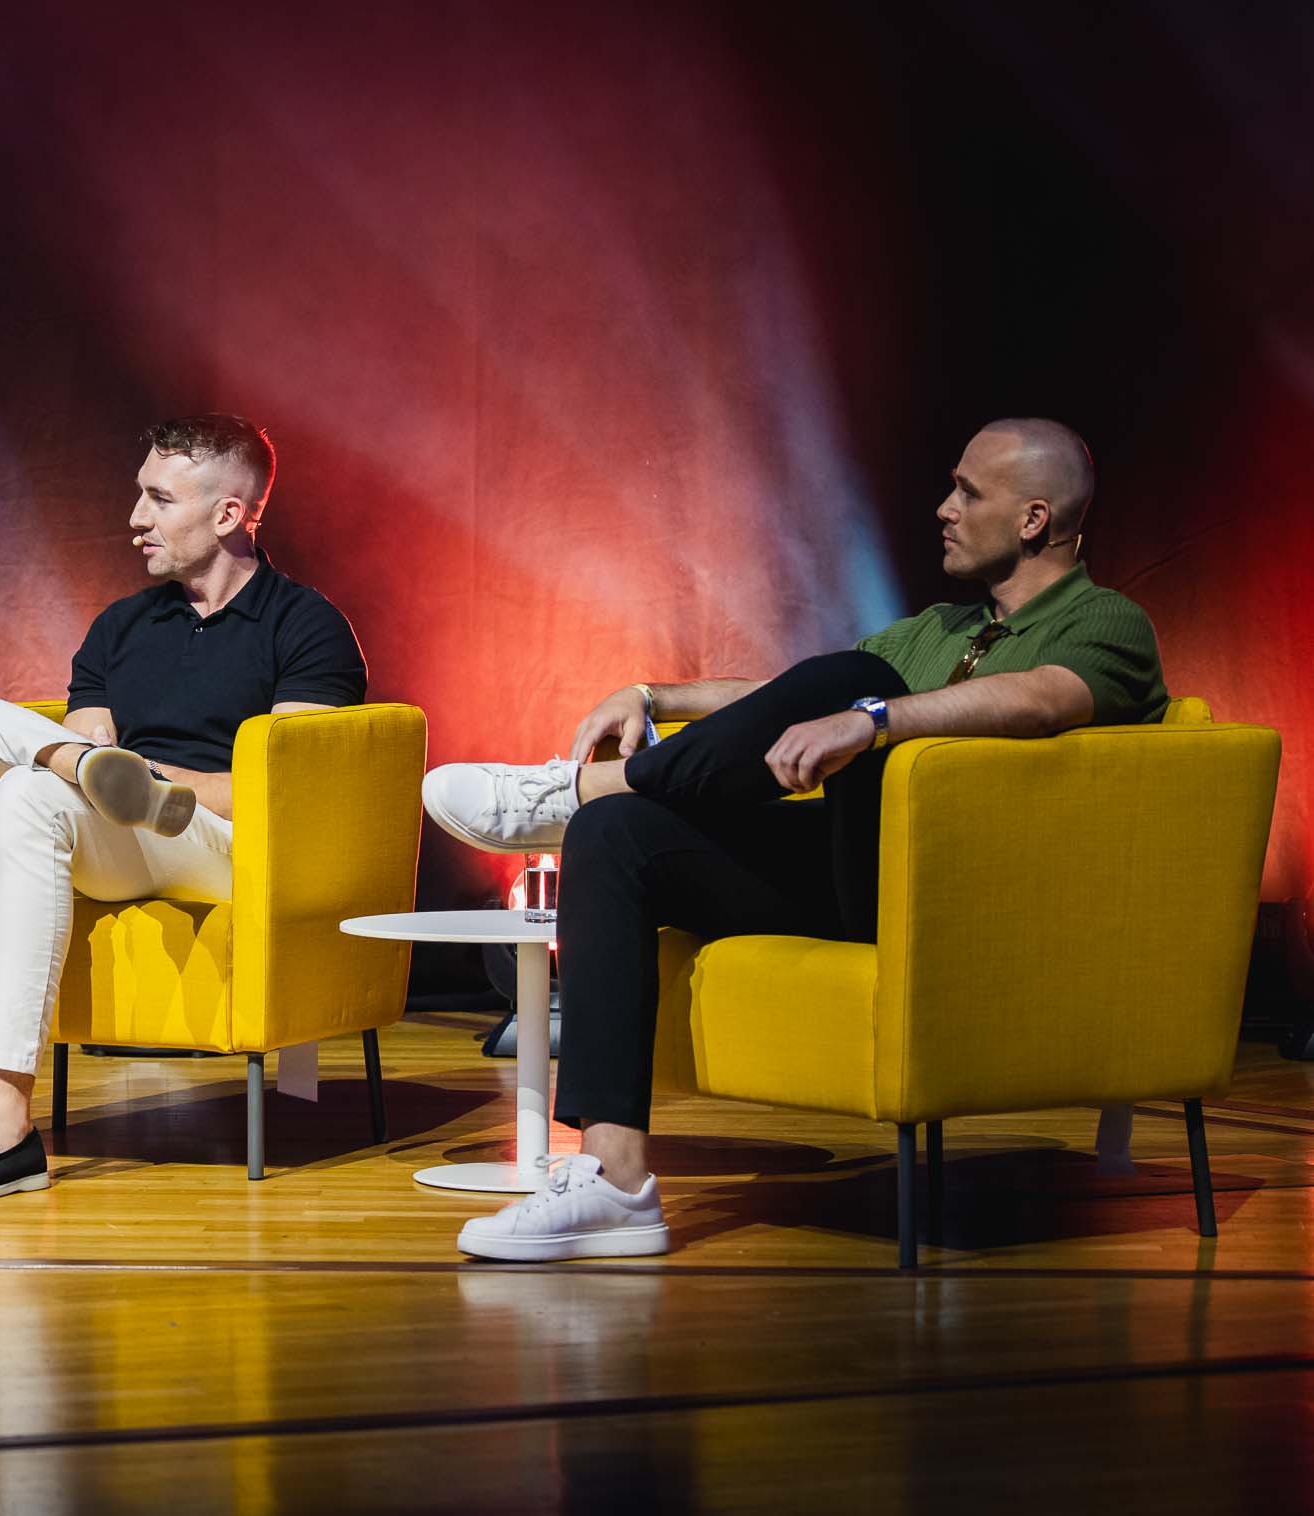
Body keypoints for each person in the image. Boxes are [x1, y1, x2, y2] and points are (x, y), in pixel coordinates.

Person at [424, 418, 1166, 1259]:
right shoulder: (941, 628)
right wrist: (655, 695)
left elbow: (1040, 700)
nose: (943, 508)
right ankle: (614, 1180)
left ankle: (575, 787)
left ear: (1034, 519)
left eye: (967, 491)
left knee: (858, 682)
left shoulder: (1107, 622)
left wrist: (871, 718)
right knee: (616, 834)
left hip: (967, 904)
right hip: (859, 876)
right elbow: (791, 696)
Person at [0, 415, 368, 1201]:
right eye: (139, 494)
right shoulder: (121, 626)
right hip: (114, 837)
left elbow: (289, 797)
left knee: (35, 789)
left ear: (229, 514)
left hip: (224, 847)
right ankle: (68, 759)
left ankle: (2, 1119)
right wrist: (86, 762)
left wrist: (153, 779)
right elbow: (79, 761)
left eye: (159, 498)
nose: (136, 517)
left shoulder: (306, 626)